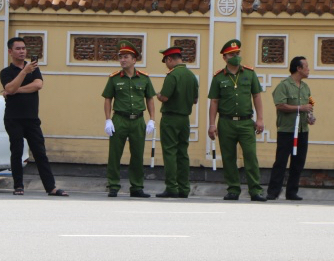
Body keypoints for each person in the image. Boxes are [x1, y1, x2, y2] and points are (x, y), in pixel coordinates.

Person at [0, 36, 68, 196]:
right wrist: (23, 73)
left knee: (40, 152)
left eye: (24, 48)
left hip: (31, 118)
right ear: (10, 51)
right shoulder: (6, 72)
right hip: (13, 118)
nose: (22, 51)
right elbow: (8, 87)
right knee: (16, 151)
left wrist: (15, 90)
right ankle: (18, 186)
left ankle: (51, 187)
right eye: (18, 49)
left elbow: (38, 85)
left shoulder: (34, 68)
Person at [207, 39, 266, 201]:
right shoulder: (218, 77)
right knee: (228, 157)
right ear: (224, 57)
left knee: (250, 156)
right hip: (226, 122)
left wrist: (260, 119)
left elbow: (256, 96)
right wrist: (212, 124)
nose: (236, 56)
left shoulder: (249, 73)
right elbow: (214, 102)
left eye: (237, 53)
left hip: (246, 122)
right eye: (232, 54)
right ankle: (233, 189)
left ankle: (255, 190)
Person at [102, 41, 156, 198]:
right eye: (121, 57)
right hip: (119, 119)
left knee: (138, 155)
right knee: (114, 154)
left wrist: (152, 119)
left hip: (138, 120)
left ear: (134, 60)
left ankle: (137, 187)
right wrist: (108, 120)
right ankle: (113, 185)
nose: (122, 60)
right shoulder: (114, 78)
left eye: (126, 57)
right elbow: (107, 99)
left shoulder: (144, 78)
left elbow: (150, 99)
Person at [267, 56, 316, 201]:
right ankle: (273, 191)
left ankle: (292, 192)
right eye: (306, 66)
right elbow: (280, 105)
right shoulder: (284, 85)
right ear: (298, 68)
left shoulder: (305, 87)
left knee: (298, 162)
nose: (308, 69)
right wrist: (300, 108)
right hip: (287, 129)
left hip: (302, 129)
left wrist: (310, 117)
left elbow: (308, 106)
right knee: (281, 161)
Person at [156, 46, 199, 198]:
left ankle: (172, 187)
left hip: (170, 118)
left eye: (166, 61)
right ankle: (184, 188)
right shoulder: (191, 76)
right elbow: (195, 100)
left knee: (170, 152)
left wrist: (158, 95)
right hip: (185, 119)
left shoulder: (172, 75)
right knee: (182, 153)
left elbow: (165, 97)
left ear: (169, 59)